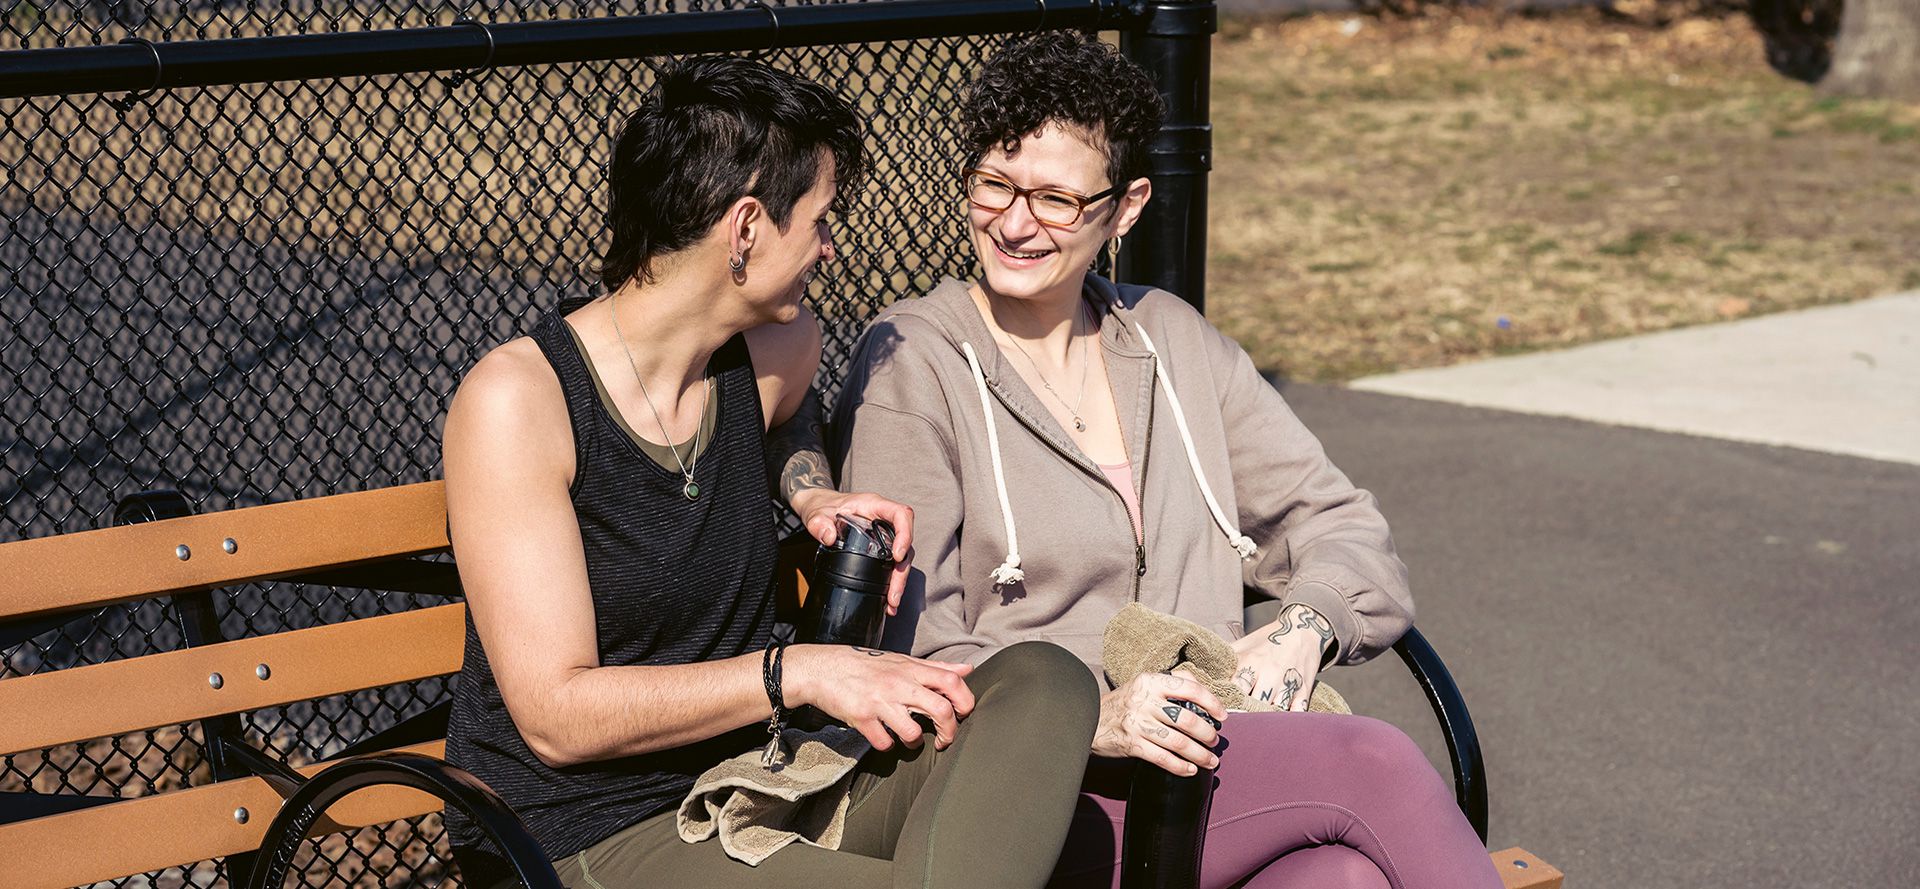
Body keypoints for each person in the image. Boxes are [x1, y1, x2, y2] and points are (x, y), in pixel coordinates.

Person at [831, 33, 1504, 889]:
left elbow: (1343, 525)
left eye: (1054, 199)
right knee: (1369, 758)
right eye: (994, 185)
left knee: (1342, 881)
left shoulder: (1173, 342)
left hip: (1206, 765)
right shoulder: (915, 363)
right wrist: (1095, 714)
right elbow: (914, 647)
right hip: (1032, 791)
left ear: (1127, 206)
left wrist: (1304, 631)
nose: (1012, 222)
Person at [440, 55, 1098, 889]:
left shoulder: (771, 353)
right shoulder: (519, 403)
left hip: (766, 781)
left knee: (1044, 681)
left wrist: (810, 490)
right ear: (746, 228)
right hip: (585, 837)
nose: (829, 247)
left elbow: (792, 424)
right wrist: (802, 672)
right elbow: (558, 717)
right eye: (821, 219)